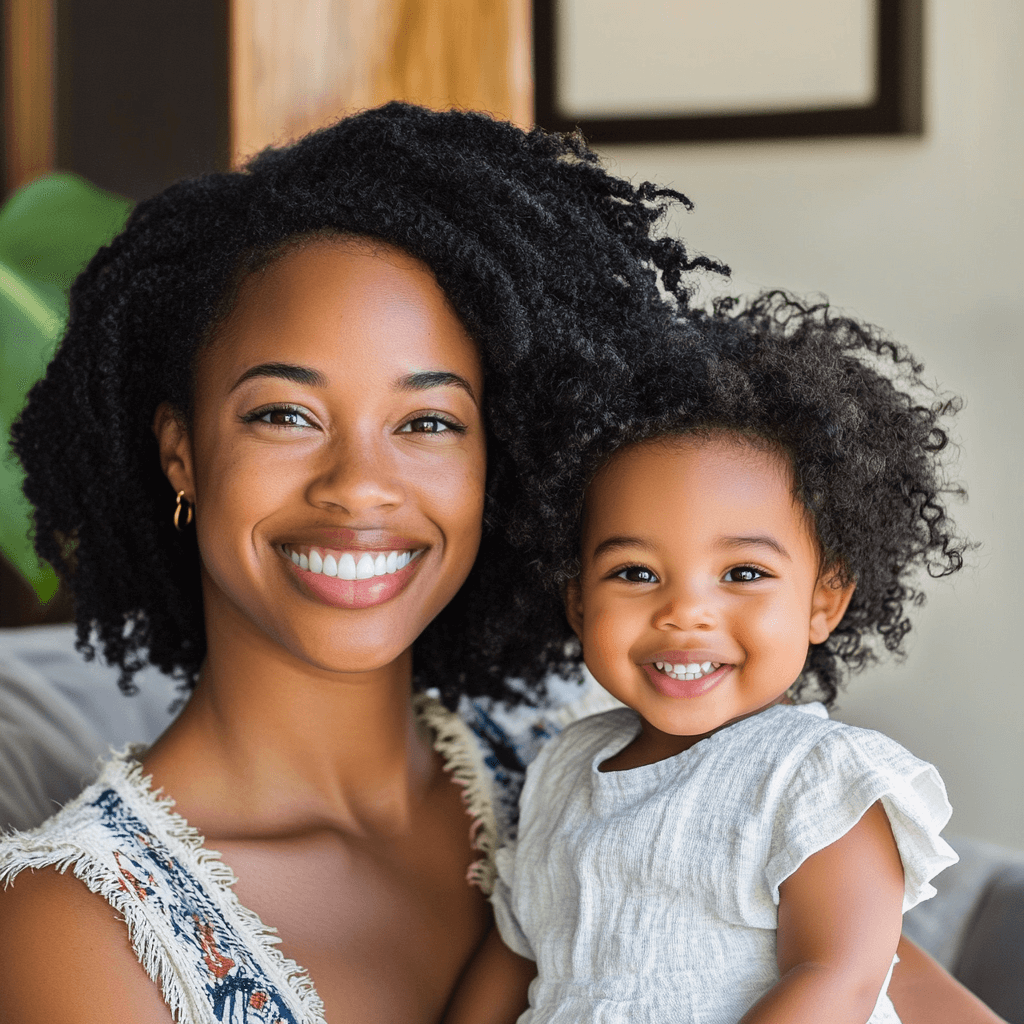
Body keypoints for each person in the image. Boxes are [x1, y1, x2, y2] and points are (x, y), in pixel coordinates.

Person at [0, 105, 1003, 1024]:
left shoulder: (596, 765)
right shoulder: (74, 924)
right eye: (284, 414)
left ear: (502, 460)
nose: (360, 486)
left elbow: (879, 982)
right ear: (180, 451)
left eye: (429, 420)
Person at [443, 295, 979, 1024]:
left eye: (743, 574)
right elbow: (517, 951)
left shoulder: (818, 781)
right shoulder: (563, 768)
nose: (684, 612)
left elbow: (839, 980)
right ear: (575, 602)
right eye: (634, 573)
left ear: (824, 602)